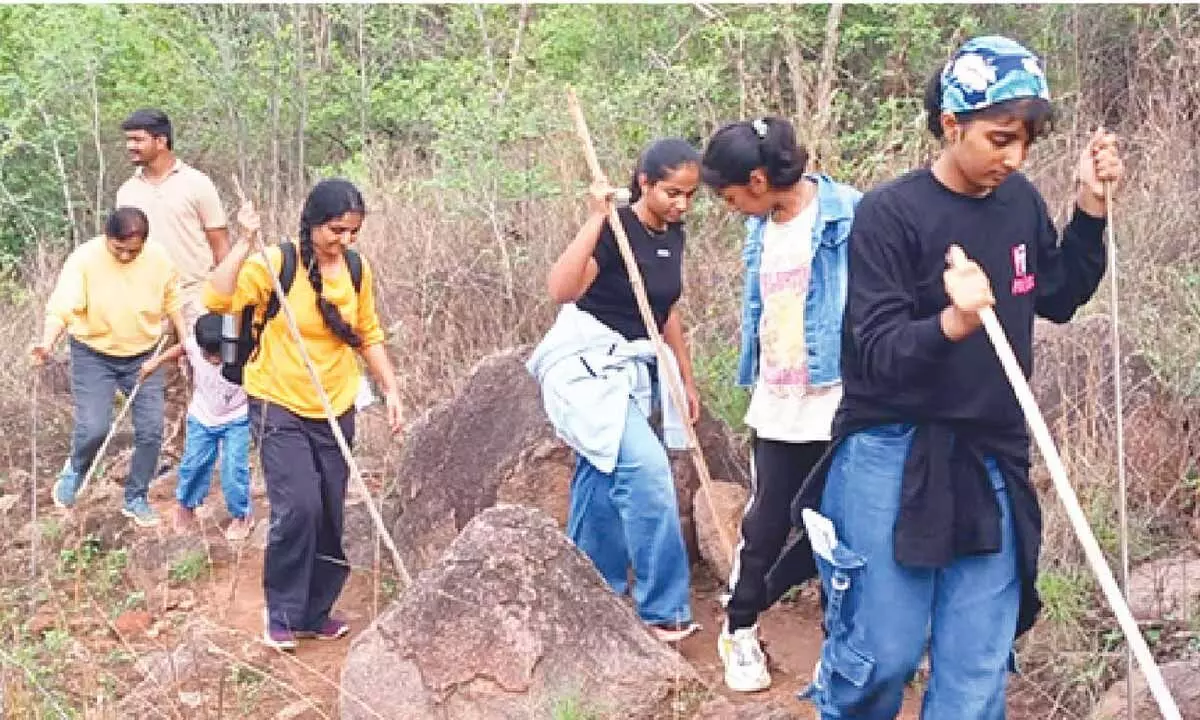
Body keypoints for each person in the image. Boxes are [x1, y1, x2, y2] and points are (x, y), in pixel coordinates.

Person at [778, 36, 1124, 718]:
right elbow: (874, 352)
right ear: (950, 124)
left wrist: (1088, 207)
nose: (1015, 158)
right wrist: (952, 323)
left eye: (1025, 142)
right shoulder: (889, 213)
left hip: (990, 451)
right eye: (1000, 139)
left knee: (975, 677)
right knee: (884, 659)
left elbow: (1055, 293)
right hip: (890, 448)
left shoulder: (1020, 201)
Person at [205, 179, 403, 651]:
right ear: (313, 222)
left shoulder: (356, 268)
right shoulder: (276, 264)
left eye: (353, 232)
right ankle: (284, 613)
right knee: (299, 508)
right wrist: (245, 243)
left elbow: (368, 332)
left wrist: (391, 388)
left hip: (335, 402)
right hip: (278, 401)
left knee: (331, 510)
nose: (345, 241)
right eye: (337, 230)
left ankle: (316, 611)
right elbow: (216, 298)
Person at [699, 116, 861, 693]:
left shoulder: (849, 215)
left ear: (760, 178)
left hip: (842, 398)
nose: (728, 206)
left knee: (841, 529)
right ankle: (739, 626)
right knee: (769, 521)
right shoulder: (760, 228)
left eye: (730, 194)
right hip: (779, 399)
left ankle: (841, 645)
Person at [528, 138, 702, 642]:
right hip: (584, 365)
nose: (682, 204)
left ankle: (589, 591)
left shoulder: (674, 234)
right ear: (644, 183)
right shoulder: (615, 229)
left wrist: (684, 379)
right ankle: (662, 608)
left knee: (599, 475)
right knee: (646, 473)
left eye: (690, 195)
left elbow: (666, 309)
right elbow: (561, 290)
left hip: (633, 366)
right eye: (672, 192)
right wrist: (596, 218)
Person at [30, 207, 187, 527]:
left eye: (134, 250)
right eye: (120, 249)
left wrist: (186, 343)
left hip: (144, 354)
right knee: (94, 427)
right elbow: (61, 308)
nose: (127, 256)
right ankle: (75, 469)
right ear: (107, 236)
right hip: (93, 354)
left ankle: (136, 497)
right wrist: (46, 344)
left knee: (151, 430)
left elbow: (173, 301)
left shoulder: (158, 258)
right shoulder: (84, 260)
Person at [137, 313, 254, 541]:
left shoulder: (241, 350)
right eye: (207, 355)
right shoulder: (193, 346)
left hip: (237, 417)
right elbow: (181, 348)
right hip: (203, 415)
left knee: (233, 469)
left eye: (217, 355)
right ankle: (186, 506)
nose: (212, 361)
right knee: (193, 465)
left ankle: (242, 515)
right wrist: (155, 362)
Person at [116, 108, 230, 324]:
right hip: (148, 303)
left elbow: (220, 246)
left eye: (138, 140)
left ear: (161, 141)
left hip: (196, 299)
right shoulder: (126, 192)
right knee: (154, 359)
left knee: (199, 357)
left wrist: (227, 301)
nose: (130, 146)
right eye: (128, 140)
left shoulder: (197, 184)